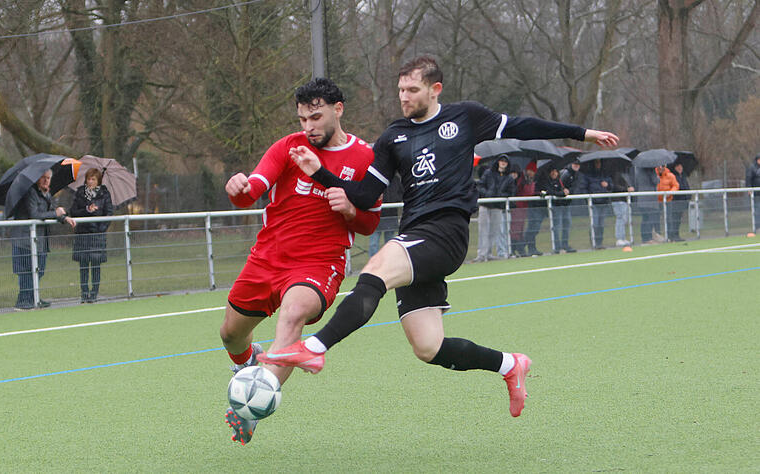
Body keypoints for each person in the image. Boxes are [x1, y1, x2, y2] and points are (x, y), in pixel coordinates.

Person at [260, 56, 618, 418]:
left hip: (446, 233)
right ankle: (510, 365)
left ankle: (316, 347)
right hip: (415, 236)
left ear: (435, 90)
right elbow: (367, 196)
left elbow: (523, 125)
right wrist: (321, 174)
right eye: (401, 90)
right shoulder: (392, 138)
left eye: (412, 90)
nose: (404, 97)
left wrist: (583, 133)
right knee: (428, 347)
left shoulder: (465, 117)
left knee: (376, 270)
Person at [219, 78, 380, 445]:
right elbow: (255, 189)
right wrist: (239, 190)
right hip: (268, 257)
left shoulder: (365, 157)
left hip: (319, 264)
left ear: (338, 110)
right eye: (303, 119)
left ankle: (251, 408)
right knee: (230, 334)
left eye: (316, 117)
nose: (308, 127)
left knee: (292, 316)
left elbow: (370, 223)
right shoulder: (288, 147)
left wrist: (352, 211)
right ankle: (249, 363)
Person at [11, 169, 76, 310]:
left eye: (48, 178)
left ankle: (33, 298)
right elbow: (34, 214)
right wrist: (55, 212)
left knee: (39, 270)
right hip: (25, 240)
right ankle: (23, 302)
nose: (46, 180)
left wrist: (64, 218)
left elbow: (52, 213)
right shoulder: (30, 193)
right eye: (43, 178)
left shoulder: (47, 194)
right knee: (27, 271)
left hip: (40, 241)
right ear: (36, 179)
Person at [69, 168, 114, 303]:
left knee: (96, 264)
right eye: (89, 178)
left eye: (93, 179)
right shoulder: (80, 193)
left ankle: (94, 293)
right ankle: (84, 292)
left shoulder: (104, 194)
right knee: (83, 265)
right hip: (82, 233)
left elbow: (109, 213)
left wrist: (101, 229)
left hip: (97, 235)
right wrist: (87, 210)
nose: (90, 181)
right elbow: (73, 211)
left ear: (98, 180)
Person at [474, 154, 516, 261]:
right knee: (483, 230)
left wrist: (500, 196)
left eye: (505, 162)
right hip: (485, 205)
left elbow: (511, 192)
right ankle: (481, 255)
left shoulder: (509, 178)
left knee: (494, 231)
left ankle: (488, 253)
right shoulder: (488, 173)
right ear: (498, 162)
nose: (503, 163)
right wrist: (487, 193)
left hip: (497, 206)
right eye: (501, 161)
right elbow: (480, 186)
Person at [536, 167, 569, 252]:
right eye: (552, 171)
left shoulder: (559, 181)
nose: (554, 173)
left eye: (556, 171)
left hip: (560, 206)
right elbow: (550, 191)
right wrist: (562, 193)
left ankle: (564, 245)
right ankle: (557, 247)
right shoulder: (545, 181)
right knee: (556, 226)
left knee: (565, 224)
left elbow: (561, 190)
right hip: (551, 207)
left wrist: (564, 191)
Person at [369, 175, 402, 256]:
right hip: (376, 216)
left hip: (391, 216)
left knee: (389, 243)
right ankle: (374, 265)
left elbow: (401, 194)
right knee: (373, 244)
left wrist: (394, 201)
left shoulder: (396, 180)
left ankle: (389, 264)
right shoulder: (376, 177)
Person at [583, 160, 612, 249]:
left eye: (599, 163)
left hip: (604, 203)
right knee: (595, 223)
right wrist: (589, 199)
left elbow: (611, 187)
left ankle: (599, 243)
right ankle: (594, 242)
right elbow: (584, 188)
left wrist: (607, 185)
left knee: (601, 224)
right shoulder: (588, 176)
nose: (598, 165)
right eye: (596, 163)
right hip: (594, 203)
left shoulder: (605, 175)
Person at [510, 163, 535, 257]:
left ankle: (519, 249)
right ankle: (515, 249)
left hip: (523, 207)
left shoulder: (527, 180)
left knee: (520, 229)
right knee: (515, 229)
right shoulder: (521, 180)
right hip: (517, 207)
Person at [558, 161, 582, 252]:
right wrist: (563, 190)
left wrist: (570, 191)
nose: (576, 166)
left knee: (567, 224)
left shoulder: (576, 175)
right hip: (559, 204)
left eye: (578, 165)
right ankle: (557, 246)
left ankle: (565, 244)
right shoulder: (565, 173)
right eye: (575, 164)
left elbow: (575, 187)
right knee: (558, 225)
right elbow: (559, 185)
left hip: (567, 204)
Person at [634, 166, 662, 243]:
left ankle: (644, 238)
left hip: (641, 199)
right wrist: (658, 176)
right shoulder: (651, 170)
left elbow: (636, 184)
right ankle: (648, 238)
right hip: (650, 200)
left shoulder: (638, 171)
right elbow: (655, 181)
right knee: (650, 219)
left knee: (644, 219)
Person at [609, 169, 634, 246]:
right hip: (618, 200)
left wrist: (629, 187)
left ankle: (622, 238)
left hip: (624, 200)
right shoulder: (615, 174)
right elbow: (615, 186)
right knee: (620, 218)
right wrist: (626, 189)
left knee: (624, 219)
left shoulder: (624, 174)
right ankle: (619, 239)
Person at [667, 163, 689, 242]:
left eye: (680, 166)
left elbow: (686, 187)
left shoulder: (683, 176)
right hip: (675, 202)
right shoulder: (673, 176)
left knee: (678, 220)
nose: (679, 168)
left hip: (682, 202)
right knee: (674, 219)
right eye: (677, 166)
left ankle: (676, 235)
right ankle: (672, 236)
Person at [747, 153, 760, 232]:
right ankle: (756, 227)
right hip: (756, 194)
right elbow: (748, 178)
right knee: (757, 209)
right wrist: (749, 188)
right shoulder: (752, 168)